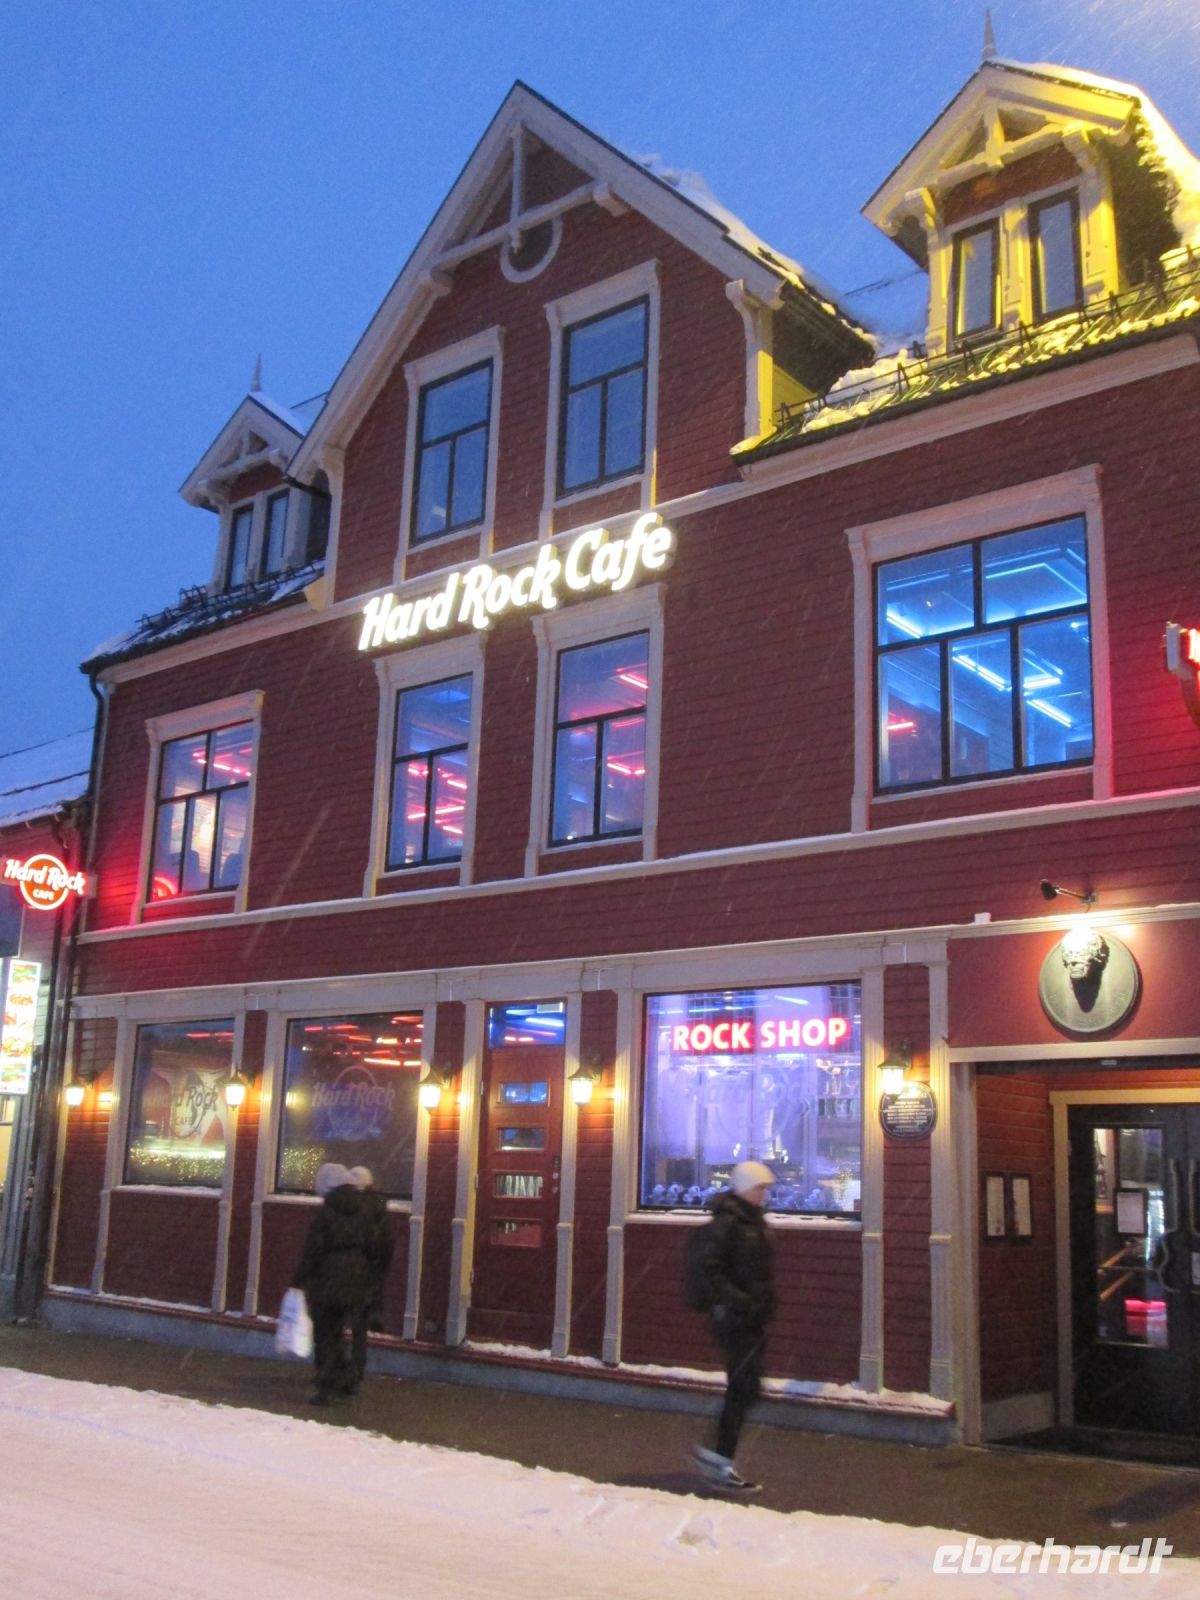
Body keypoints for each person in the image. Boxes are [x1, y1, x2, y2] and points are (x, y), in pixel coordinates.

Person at [692, 1159, 777, 1493]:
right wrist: (740, 1300)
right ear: (744, 1188)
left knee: (746, 1389)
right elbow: (710, 1270)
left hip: (749, 1317)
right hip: (734, 1319)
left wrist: (761, 1302)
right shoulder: (728, 1223)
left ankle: (715, 1456)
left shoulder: (751, 1220)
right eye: (759, 1187)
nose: (764, 1194)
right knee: (743, 1388)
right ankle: (716, 1459)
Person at [292, 1162, 393, 1404]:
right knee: (353, 1330)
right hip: (356, 1280)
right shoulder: (364, 1211)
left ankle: (327, 1385)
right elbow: (375, 1245)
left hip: (328, 1280)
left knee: (327, 1333)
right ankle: (349, 1378)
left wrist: (299, 1280)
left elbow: (313, 1250)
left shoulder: (326, 1212)